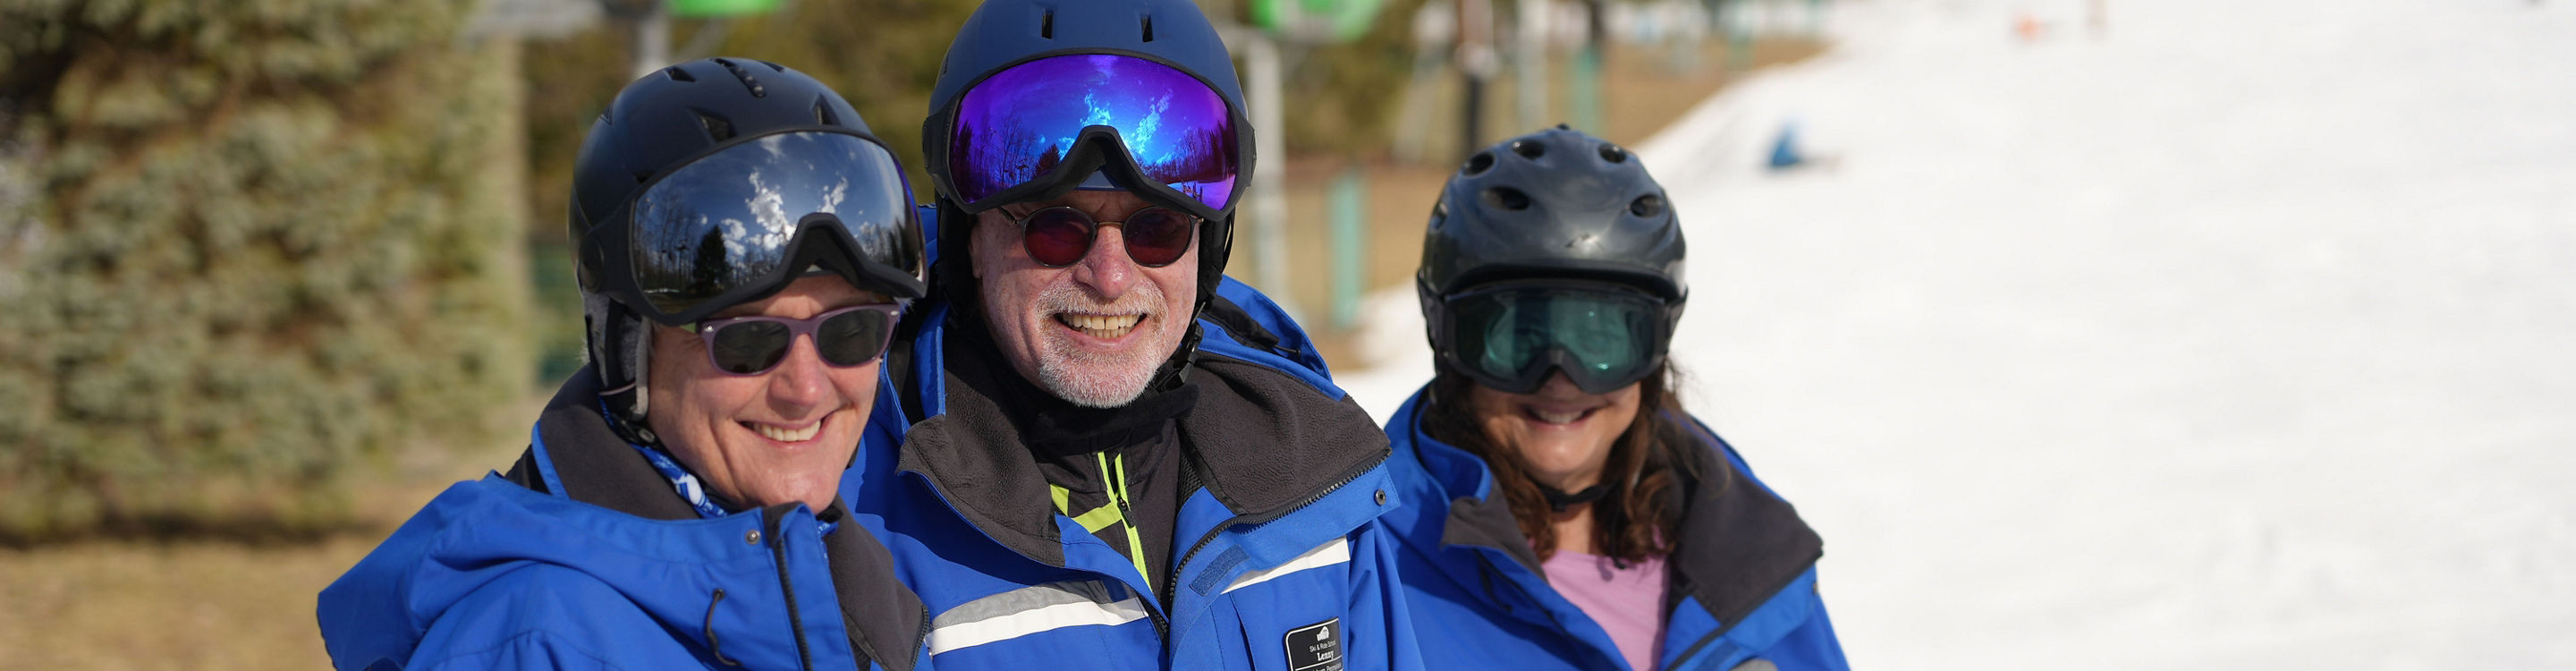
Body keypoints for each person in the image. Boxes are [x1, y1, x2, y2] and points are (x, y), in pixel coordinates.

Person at [840, 1, 1424, 668]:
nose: (1110, 279)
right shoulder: (861, 516)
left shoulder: (1308, 474)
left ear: (1207, 252)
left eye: (1157, 230)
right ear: (972, 242)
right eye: (1055, 228)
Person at [318, 58, 934, 670]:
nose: (805, 388)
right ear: (628, 352)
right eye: (748, 341)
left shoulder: (840, 571)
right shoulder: (539, 641)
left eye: (852, 332)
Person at [1382, 126, 1850, 670]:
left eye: (1600, 338)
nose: (1561, 380)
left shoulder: (1748, 557)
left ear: (1655, 349)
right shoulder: (1372, 569)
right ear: (1448, 336)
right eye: (1516, 338)